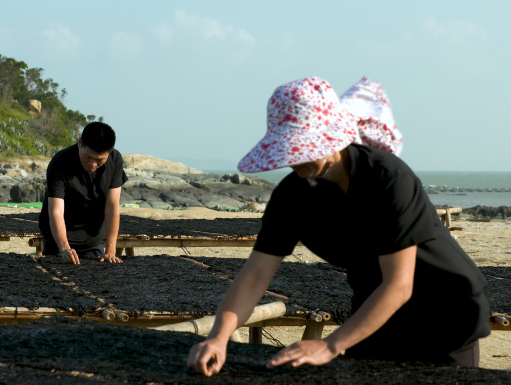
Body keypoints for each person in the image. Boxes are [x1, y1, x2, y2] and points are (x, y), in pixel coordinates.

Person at [187, 77, 490, 375]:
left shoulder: (388, 178)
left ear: (332, 138)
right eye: (288, 149)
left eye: (302, 147)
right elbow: (254, 277)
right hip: (373, 313)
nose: (294, 159)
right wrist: (218, 337)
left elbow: (399, 285)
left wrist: (329, 346)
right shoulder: (292, 196)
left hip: (447, 314)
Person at [38, 122, 128, 264]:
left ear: (109, 153)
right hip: (59, 237)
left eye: (99, 160)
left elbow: (112, 206)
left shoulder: (115, 160)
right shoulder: (60, 162)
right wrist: (64, 248)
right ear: (79, 143)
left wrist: (110, 250)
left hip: (92, 237)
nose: (92, 164)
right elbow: (56, 211)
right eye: (87, 157)